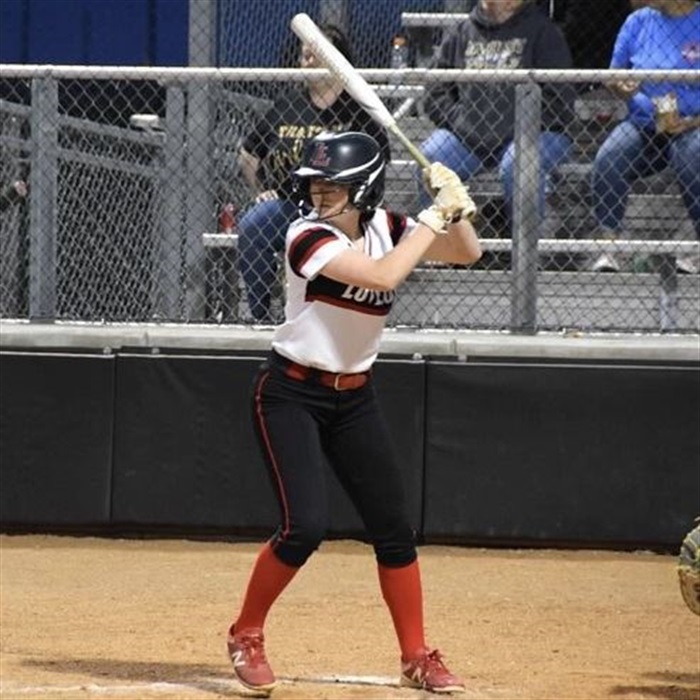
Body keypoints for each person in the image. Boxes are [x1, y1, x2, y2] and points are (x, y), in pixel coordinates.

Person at [225, 131, 481, 695]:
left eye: (331, 187)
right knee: (304, 528)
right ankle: (246, 633)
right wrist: (432, 217)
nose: (317, 195)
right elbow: (384, 276)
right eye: (314, 185)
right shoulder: (305, 235)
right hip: (290, 392)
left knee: (394, 529)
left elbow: (468, 253)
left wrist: (455, 207)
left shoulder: (387, 226)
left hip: (354, 396)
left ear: (363, 189)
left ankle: (415, 656)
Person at [237, 25, 391, 323]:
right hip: (290, 204)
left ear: (336, 60)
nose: (307, 61)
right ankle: (261, 316)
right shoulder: (287, 105)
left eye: (315, 54)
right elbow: (249, 152)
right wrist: (259, 189)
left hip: (342, 210)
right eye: (304, 55)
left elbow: (378, 161)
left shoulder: (358, 110)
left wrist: (359, 206)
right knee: (254, 225)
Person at [418, 0, 576, 238]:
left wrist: (516, 126)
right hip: (471, 139)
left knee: (518, 163)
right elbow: (434, 91)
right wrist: (461, 121)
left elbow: (560, 101)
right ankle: (440, 243)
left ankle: (526, 247)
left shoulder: (543, 32)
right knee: (432, 156)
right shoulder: (462, 32)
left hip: (534, 135)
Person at [589, 0, 700, 273]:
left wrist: (693, 122)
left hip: (694, 123)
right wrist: (621, 87)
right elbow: (613, 75)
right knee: (608, 159)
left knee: (689, 157)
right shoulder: (638, 21)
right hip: (645, 122)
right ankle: (608, 248)